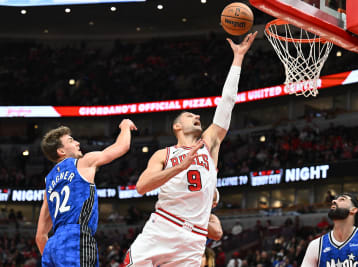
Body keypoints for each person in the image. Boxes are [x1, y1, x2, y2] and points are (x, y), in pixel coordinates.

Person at [123, 31, 258, 267]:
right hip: (163, 226)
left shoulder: (209, 144)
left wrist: (238, 59)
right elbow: (142, 187)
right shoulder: (163, 154)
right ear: (177, 126)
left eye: (196, 114)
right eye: (189, 115)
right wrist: (179, 167)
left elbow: (226, 103)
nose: (197, 115)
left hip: (194, 238)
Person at [35, 119, 137, 266]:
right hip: (76, 238)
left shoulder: (48, 183)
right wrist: (125, 126)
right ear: (61, 151)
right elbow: (122, 146)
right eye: (71, 140)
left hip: (53, 246)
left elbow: (40, 236)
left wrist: (57, 255)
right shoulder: (82, 163)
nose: (77, 143)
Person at [301, 193, 358, 267]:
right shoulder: (316, 245)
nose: (333, 201)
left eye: (342, 199)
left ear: (353, 210)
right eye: (335, 199)